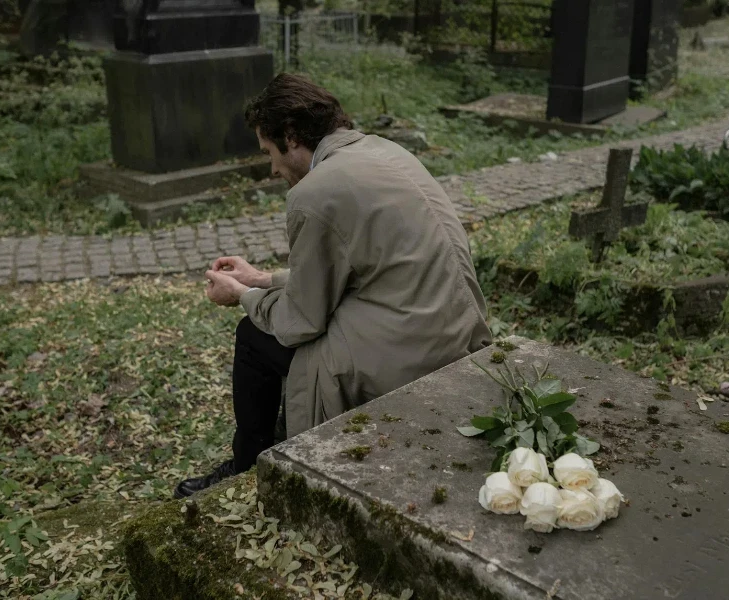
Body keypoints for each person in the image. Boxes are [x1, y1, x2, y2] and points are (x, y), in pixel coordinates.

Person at [173, 74, 491, 499]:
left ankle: (248, 466)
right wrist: (263, 279)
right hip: (455, 332)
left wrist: (242, 297)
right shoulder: (384, 150)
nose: (272, 168)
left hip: (409, 355)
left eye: (269, 152)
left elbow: (300, 321)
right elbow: (364, 269)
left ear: (289, 136)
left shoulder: (313, 192)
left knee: (253, 335)